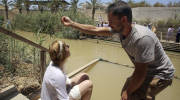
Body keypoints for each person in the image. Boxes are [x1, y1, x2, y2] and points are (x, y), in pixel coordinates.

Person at [61, 1, 175, 100]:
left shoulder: (142, 39)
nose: (109, 24)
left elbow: (140, 73)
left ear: (124, 19)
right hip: (145, 70)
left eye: (111, 21)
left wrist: (128, 92)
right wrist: (72, 24)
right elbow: (95, 29)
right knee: (127, 92)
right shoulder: (120, 30)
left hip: (161, 73)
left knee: (132, 96)